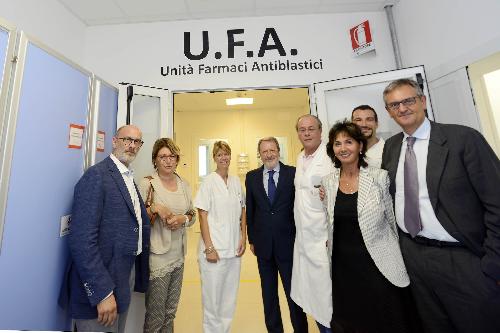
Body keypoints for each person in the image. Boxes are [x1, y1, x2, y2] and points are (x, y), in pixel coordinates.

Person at [381, 78, 500, 333]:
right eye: (394, 105)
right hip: (414, 258)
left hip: (463, 259)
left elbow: (497, 202)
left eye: (408, 101)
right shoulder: (391, 148)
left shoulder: (463, 139)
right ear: (389, 112)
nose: (402, 109)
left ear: (423, 101)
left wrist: (492, 264)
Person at [322, 120, 420, 333]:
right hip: (343, 268)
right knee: (353, 322)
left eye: (348, 142)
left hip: (377, 264)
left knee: (385, 320)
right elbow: (330, 223)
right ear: (332, 149)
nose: (343, 148)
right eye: (337, 144)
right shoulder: (327, 183)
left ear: (360, 145)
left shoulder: (379, 177)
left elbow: (393, 222)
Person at [60, 125, 150, 333]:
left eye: (137, 142)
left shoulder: (128, 177)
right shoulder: (96, 176)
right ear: (114, 141)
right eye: (127, 139)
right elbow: (82, 240)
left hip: (122, 276)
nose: (132, 145)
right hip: (100, 287)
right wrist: (102, 293)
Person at [245, 137, 308, 333]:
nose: (269, 154)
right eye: (264, 151)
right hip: (263, 246)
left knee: (294, 294)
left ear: (278, 151)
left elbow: (300, 207)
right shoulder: (252, 177)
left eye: (272, 150)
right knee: (269, 295)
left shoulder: (293, 173)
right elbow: (251, 210)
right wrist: (252, 239)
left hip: (288, 243)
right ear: (260, 154)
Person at [138, 138, 196, 333]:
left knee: (170, 312)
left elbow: (193, 214)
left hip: (178, 256)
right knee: (155, 315)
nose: (168, 161)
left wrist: (182, 219)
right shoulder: (147, 184)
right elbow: (135, 216)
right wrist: (154, 207)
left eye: (172, 156)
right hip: (158, 258)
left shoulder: (184, 184)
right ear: (155, 159)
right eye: (163, 157)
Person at [194, 141, 247, 333]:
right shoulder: (208, 182)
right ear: (214, 158)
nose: (223, 157)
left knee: (228, 299)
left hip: (233, 250)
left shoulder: (235, 182)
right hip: (213, 251)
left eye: (226, 154)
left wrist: (244, 237)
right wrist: (209, 247)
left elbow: (243, 210)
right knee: (212, 299)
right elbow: (202, 214)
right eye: (219, 155)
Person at [290, 114, 334, 333]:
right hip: (304, 240)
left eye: (311, 129)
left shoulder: (329, 158)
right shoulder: (300, 158)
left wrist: (332, 236)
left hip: (323, 240)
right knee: (312, 299)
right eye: (302, 129)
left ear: (320, 131)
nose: (306, 133)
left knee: (326, 300)